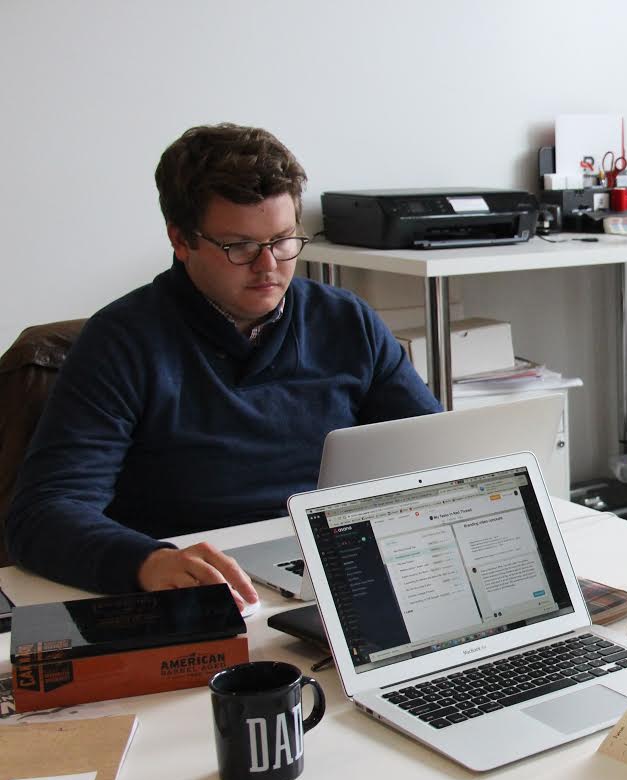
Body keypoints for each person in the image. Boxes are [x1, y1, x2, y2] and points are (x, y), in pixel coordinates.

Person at [6, 124, 439, 607]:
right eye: (240, 247)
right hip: (203, 589)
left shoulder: (345, 321)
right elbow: (43, 514)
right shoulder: (121, 342)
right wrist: (145, 562)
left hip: (336, 569)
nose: (269, 265)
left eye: (282, 239)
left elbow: (436, 453)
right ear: (181, 240)